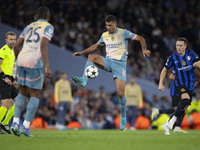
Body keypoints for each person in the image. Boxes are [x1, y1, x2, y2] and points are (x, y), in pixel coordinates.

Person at [71, 15, 150, 130]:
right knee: (91, 57)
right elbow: (95, 46)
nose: (108, 27)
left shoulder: (123, 33)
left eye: (110, 25)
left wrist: (144, 49)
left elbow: (141, 39)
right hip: (108, 61)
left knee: (120, 93)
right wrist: (81, 53)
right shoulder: (104, 35)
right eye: (106, 25)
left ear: (115, 24)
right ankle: (84, 79)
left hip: (120, 65)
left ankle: (123, 116)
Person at [11, 6, 54, 137]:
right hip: (34, 62)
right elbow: (43, 45)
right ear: (48, 16)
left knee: (22, 93)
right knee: (35, 95)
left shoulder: (29, 26)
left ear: (37, 15)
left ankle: (15, 123)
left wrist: (17, 60)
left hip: (21, 59)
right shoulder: (48, 27)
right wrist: (47, 65)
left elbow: (17, 45)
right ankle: (25, 127)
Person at [158, 37, 200, 135]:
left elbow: (199, 63)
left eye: (181, 45)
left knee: (184, 108)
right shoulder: (172, 58)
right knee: (185, 100)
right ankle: (170, 124)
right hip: (179, 83)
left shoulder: (191, 54)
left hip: (190, 85)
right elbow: (164, 70)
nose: (179, 47)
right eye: (177, 45)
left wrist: (197, 64)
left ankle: (169, 124)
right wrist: (160, 83)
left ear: (185, 46)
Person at [0, 31, 19, 134]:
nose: (12, 41)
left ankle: (5, 123)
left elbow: (10, 67)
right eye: (10, 39)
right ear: (6, 40)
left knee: (18, 102)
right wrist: (4, 77)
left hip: (9, 79)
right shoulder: (3, 50)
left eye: (14, 39)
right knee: (5, 104)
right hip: (3, 79)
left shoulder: (12, 51)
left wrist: (13, 80)